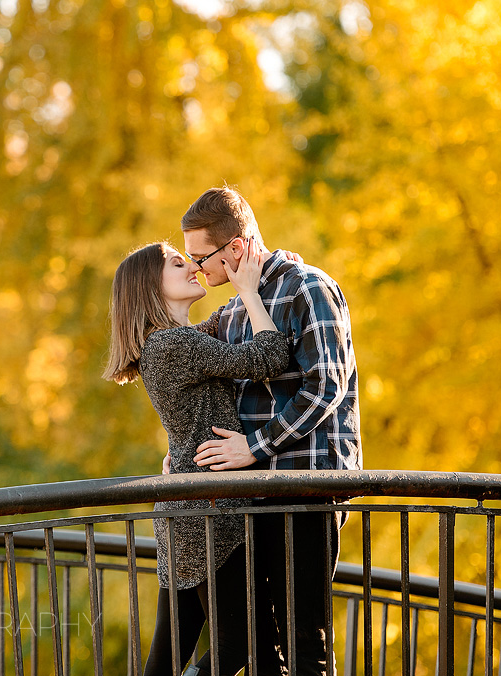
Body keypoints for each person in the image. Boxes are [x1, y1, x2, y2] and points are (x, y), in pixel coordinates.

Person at [184, 186, 362, 676]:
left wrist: (254, 448)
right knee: (263, 650)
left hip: (306, 491)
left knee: (306, 644)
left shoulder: (308, 287)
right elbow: (182, 357)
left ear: (235, 248)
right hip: (250, 494)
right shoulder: (237, 307)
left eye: (202, 258)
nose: (197, 269)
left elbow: (326, 388)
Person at [103, 239, 290, 675]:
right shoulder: (172, 346)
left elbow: (218, 326)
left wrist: (271, 270)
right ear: (151, 287)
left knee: (170, 653)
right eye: (176, 263)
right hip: (208, 512)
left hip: (188, 508)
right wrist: (248, 290)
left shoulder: (172, 342)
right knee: (244, 643)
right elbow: (269, 355)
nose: (191, 266)